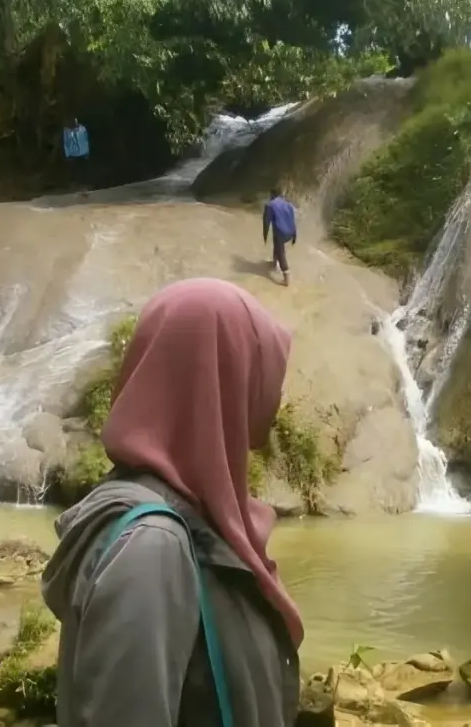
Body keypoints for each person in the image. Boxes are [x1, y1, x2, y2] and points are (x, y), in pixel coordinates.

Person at [41, 278, 302, 726]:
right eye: (259, 376)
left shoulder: (199, 524)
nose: (273, 403)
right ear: (221, 381)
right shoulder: (151, 547)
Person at [263, 187, 298, 287]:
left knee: (280, 251)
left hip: (281, 233)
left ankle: (286, 278)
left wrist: (264, 235)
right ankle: (274, 263)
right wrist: (295, 235)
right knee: (276, 238)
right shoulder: (288, 205)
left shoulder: (269, 205)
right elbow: (292, 221)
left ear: (272, 195)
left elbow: (266, 223)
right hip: (290, 232)